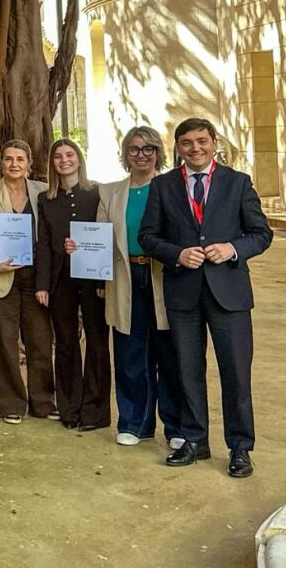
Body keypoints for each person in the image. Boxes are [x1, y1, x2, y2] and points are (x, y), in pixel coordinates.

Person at [139, 117, 273, 477]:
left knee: (236, 372)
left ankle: (240, 447)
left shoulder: (238, 183)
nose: (195, 148)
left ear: (214, 143)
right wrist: (177, 254)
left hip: (229, 294)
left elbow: (261, 233)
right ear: (178, 147)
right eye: (187, 142)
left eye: (202, 141)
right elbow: (147, 236)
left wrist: (232, 249)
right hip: (183, 293)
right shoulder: (163, 185)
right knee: (187, 370)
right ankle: (194, 440)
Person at [88, 127, 183, 448]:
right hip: (124, 277)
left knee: (169, 354)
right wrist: (87, 258)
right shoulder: (109, 193)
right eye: (134, 149)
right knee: (130, 352)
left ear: (158, 153)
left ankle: (176, 427)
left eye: (148, 149)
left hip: (165, 278)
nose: (141, 155)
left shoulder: (173, 188)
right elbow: (100, 238)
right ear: (125, 154)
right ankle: (134, 423)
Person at [0, 139, 55, 425]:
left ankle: (43, 402)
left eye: (20, 159)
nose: (14, 164)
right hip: (1, 277)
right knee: (4, 343)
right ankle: (11, 404)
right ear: (0, 162)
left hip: (36, 279)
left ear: (29, 163)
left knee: (40, 341)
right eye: (9, 159)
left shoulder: (43, 191)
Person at [35, 139, 110, 432]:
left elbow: (105, 235)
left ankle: (95, 411)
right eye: (58, 156)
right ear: (52, 163)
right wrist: (42, 284)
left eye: (70, 154)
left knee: (97, 342)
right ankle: (69, 409)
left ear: (79, 159)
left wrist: (104, 281)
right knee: (66, 343)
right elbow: (43, 243)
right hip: (60, 280)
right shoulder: (45, 199)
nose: (64, 160)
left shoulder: (97, 192)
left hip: (93, 279)